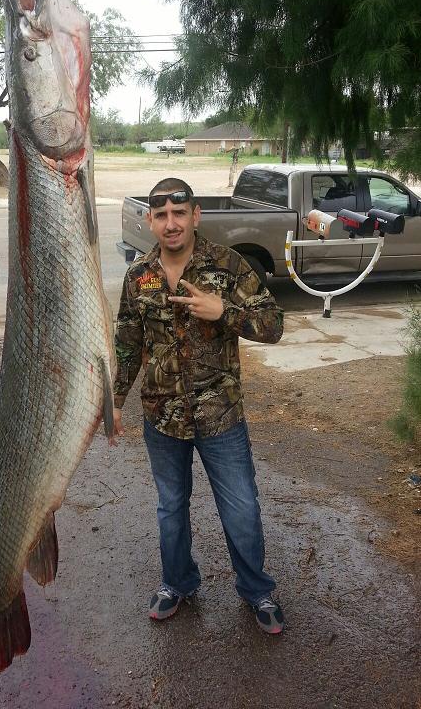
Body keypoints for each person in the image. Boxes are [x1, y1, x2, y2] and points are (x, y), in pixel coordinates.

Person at [113, 177, 285, 634]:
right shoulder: (139, 276)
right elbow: (127, 342)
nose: (171, 224)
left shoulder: (229, 267)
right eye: (161, 215)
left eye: (179, 213)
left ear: (195, 216)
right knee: (171, 508)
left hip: (220, 416)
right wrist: (115, 401)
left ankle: (256, 590)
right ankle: (178, 582)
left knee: (241, 508)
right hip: (162, 417)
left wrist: (224, 311)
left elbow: (273, 324)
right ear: (150, 220)